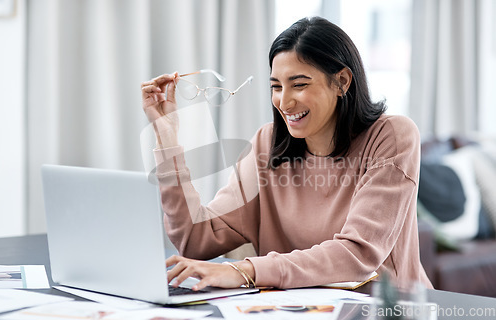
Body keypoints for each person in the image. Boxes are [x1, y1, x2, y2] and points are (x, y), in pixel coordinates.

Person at [140, 16, 433, 291]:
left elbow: (357, 255)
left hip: (387, 308)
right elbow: (195, 240)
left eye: (299, 85)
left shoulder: (391, 137)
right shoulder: (266, 144)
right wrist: (167, 138)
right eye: (276, 87)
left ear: (342, 82)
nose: (285, 101)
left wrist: (246, 270)